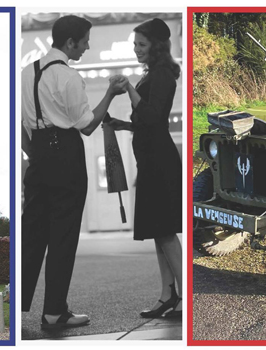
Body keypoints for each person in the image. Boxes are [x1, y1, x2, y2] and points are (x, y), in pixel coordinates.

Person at [21, 15, 127, 329]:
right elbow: (87, 126)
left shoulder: (27, 72)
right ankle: (54, 313)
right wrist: (109, 93)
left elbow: (21, 127)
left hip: (38, 156)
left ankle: (15, 304)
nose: (87, 46)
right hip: (65, 155)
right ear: (70, 42)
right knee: (63, 236)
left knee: (33, 233)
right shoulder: (69, 77)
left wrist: (36, 154)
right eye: (85, 41)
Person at [109, 18, 182, 319]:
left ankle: (187, 296)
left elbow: (153, 117)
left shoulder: (163, 74)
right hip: (151, 161)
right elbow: (144, 123)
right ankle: (168, 295)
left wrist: (128, 89)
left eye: (141, 44)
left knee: (164, 231)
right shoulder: (153, 74)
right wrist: (122, 124)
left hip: (160, 162)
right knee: (158, 230)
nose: (136, 50)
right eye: (135, 45)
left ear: (156, 46)